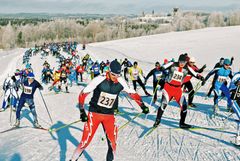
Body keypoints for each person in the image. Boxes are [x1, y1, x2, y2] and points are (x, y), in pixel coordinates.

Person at [70, 60, 149, 161]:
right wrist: (82, 111)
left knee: (112, 145)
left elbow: (132, 93)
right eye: (113, 74)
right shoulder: (99, 79)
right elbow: (83, 94)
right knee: (85, 142)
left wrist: (142, 106)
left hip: (109, 116)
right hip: (95, 114)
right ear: (108, 71)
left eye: (118, 74)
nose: (115, 77)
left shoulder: (121, 81)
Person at [153, 54, 205, 128]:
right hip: (168, 88)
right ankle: (157, 121)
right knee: (163, 104)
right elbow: (163, 67)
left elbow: (196, 74)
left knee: (184, 106)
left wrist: (202, 78)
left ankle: (182, 123)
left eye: (183, 62)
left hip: (178, 90)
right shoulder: (173, 64)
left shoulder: (187, 68)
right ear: (178, 60)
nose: (182, 63)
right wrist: (160, 68)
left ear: (186, 62)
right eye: (180, 61)